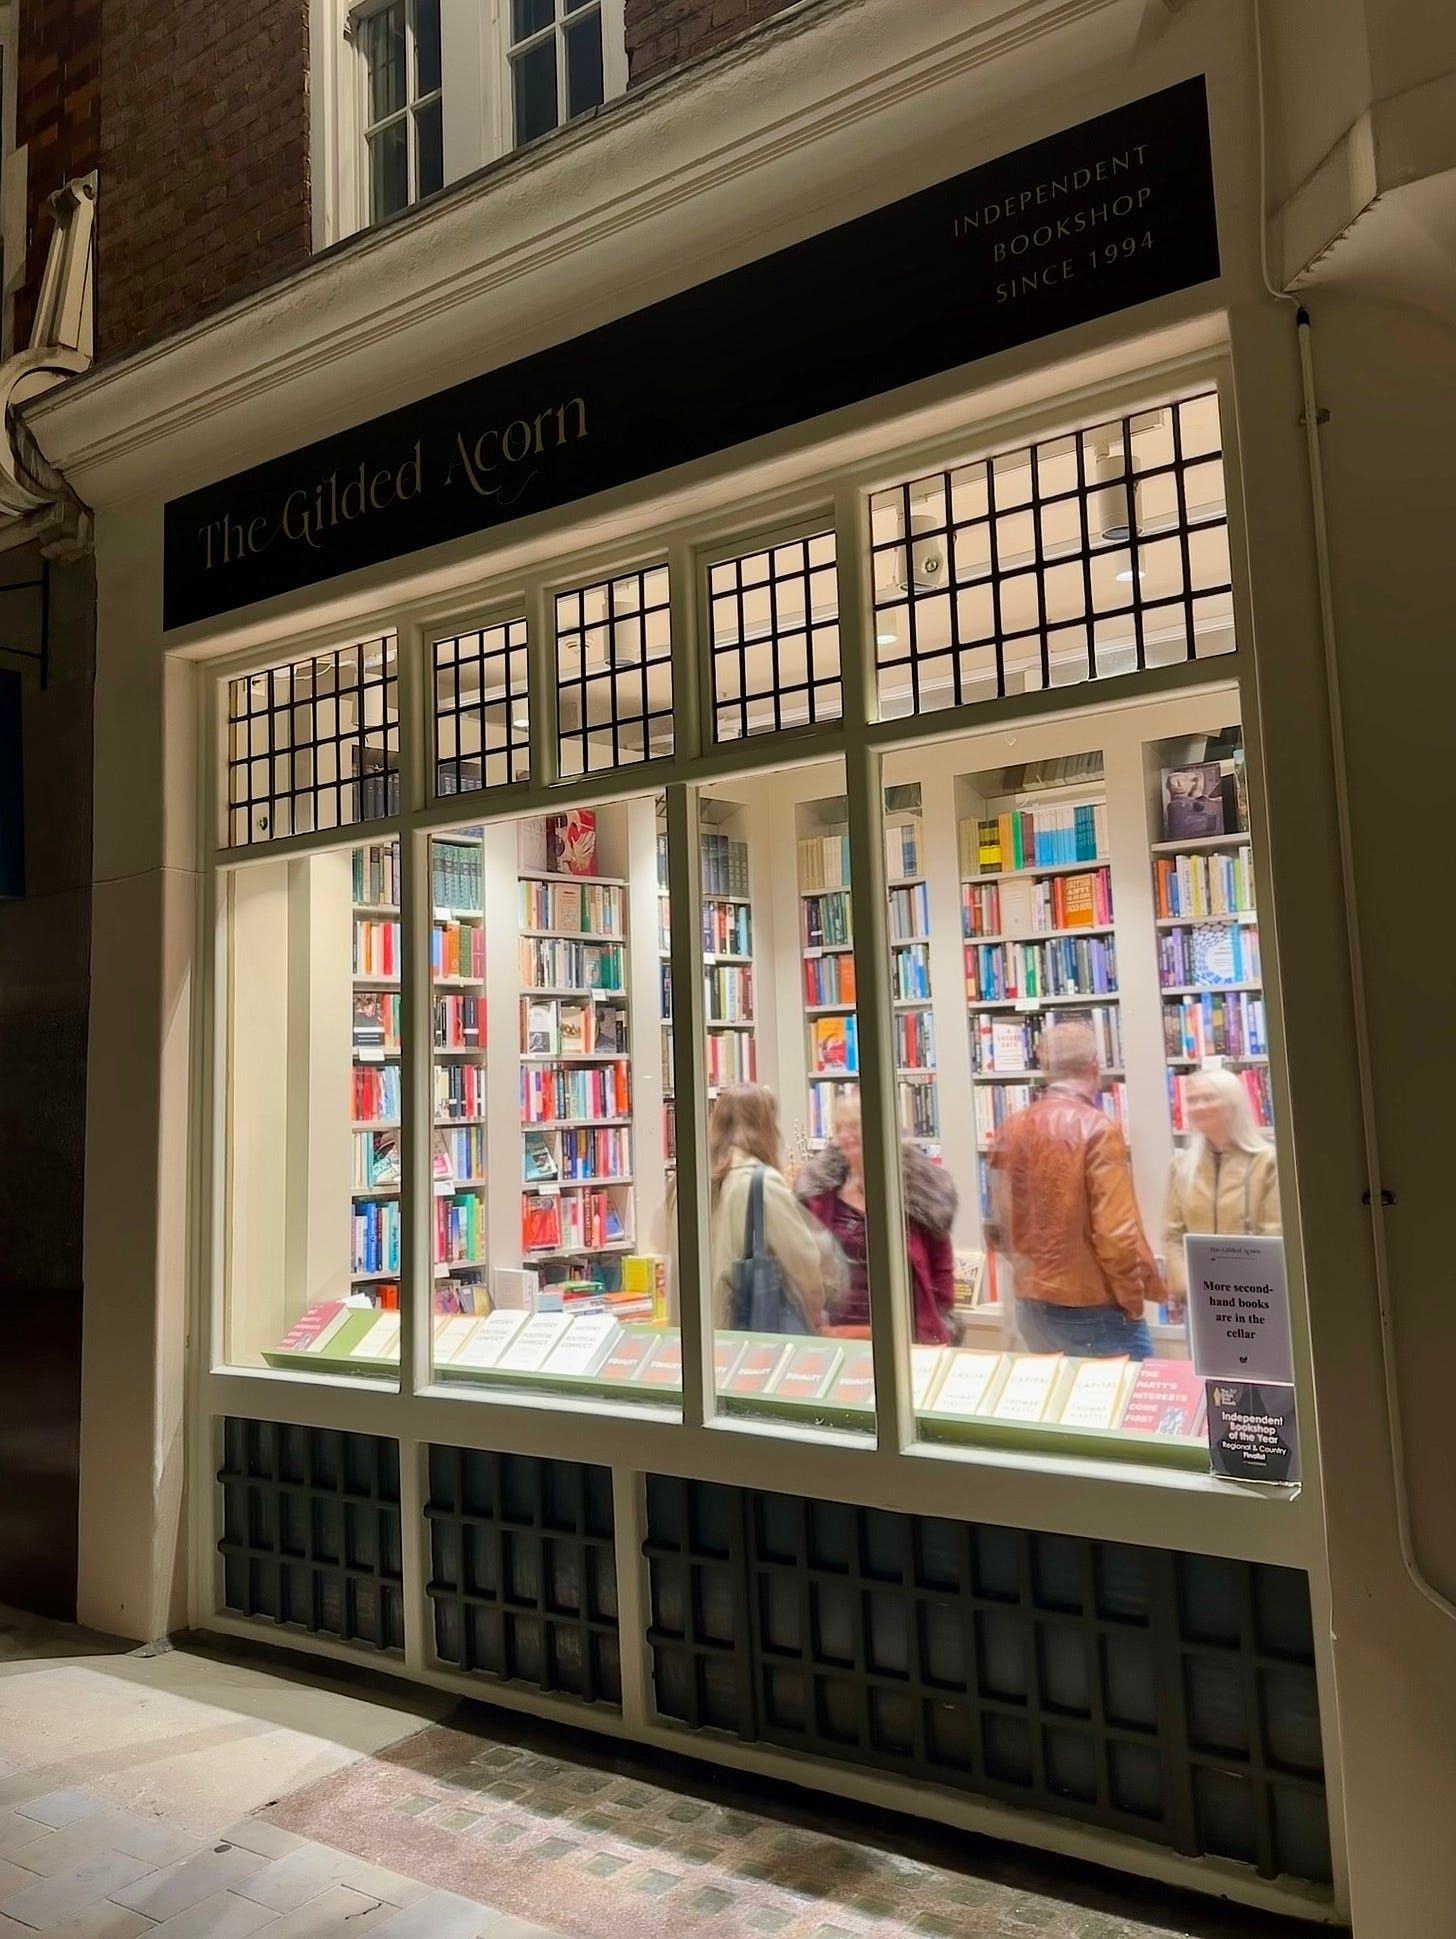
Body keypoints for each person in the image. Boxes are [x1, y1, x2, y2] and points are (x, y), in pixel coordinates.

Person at [986, 1021, 1160, 1359]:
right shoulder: (1098, 1129)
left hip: (1030, 1305)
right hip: (1093, 1306)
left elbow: (997, 1225)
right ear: (1095, 1066)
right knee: (1134, 1391)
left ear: (1046, 1070)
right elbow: (1116, 1235)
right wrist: (1131, 1302)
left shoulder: (1012, 1128)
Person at [795, 1090, 959, 1344]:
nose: (846, 1135)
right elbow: (804, 1261)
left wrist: (937, 1321)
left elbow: (942, 1269)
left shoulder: (920, 1191)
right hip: (836, 1332)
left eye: (854, 1126)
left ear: (879, 1128)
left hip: (902, 1332)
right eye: (840, 1128)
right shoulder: (820, 1194)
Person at [706, 1083, 829, 1332]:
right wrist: (816, 1304)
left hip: (706, 1330)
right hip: (755, 1328)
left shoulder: (695, 1183)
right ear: (765, 1126)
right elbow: (801, 1258)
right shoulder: (762, 1183)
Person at [1163, 1068, 1280, 1298]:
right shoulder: (1180, 1167)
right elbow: (1172, 1236)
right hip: (1201, 1297)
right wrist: (1190, 1292)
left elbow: (1274, 1235)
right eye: (1192, 1100)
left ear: (1233, 1103)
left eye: (1208, 1098)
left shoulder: (1268, 1162)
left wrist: (1249, 1291)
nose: (1198, 1107)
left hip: (1256, 1298)